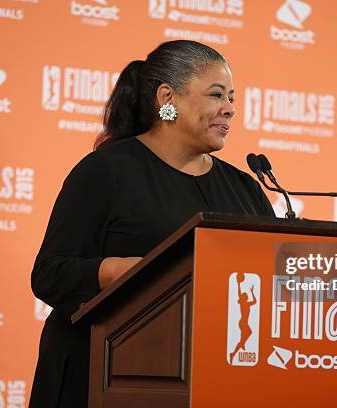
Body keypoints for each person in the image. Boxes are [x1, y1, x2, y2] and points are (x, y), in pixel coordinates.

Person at [29, 40, 275, 407]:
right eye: (216, 95)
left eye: (232, 98)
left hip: (208, 380)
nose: (229, 109)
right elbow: (49, 275)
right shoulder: (105, 171)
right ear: (167, 97)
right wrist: (123, 272)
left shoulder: (244, 188)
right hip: (100, 376)